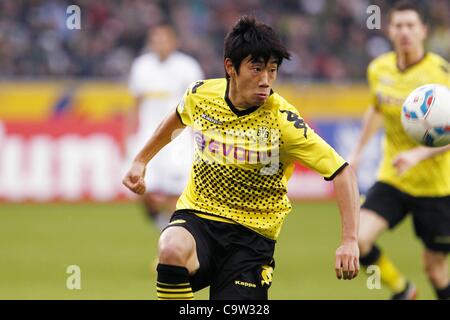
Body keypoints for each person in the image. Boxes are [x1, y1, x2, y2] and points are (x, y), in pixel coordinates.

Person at [123, 15, 360, 300]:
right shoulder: (201, 95)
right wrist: (141, 160)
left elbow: (342, 171)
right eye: (256, 69)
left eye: (272, 70)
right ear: (230, 67)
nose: (266, 81)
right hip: (200, 217)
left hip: (251, 239)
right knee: (171, 247)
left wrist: (349, 241)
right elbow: (176, 118)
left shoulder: (284, 122)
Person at [349, 1, 450, 300]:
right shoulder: (378, 69)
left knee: (434, 268)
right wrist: (358, 152)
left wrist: (420, 154)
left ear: (423, 31)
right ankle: (403, 290)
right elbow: (377, 107)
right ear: (389, 30)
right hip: (394, 176)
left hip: (435, 186)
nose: (404, 32)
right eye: (398, 25)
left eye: (410, 25)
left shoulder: (441, 74)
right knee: (359, 239)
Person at [126, 22, 204, 229]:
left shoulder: (188, 66)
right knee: (139, 187)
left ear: (174, 42)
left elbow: (197, 106)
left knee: (174, 191)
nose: (159, 43)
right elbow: (135, 104)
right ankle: (160, 224)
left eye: (164, 39)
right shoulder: (141, 66)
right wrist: (128, 135)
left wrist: (200, 138)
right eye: (155, 39)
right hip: (146, 135)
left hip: (177, 138)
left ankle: (168, 235)